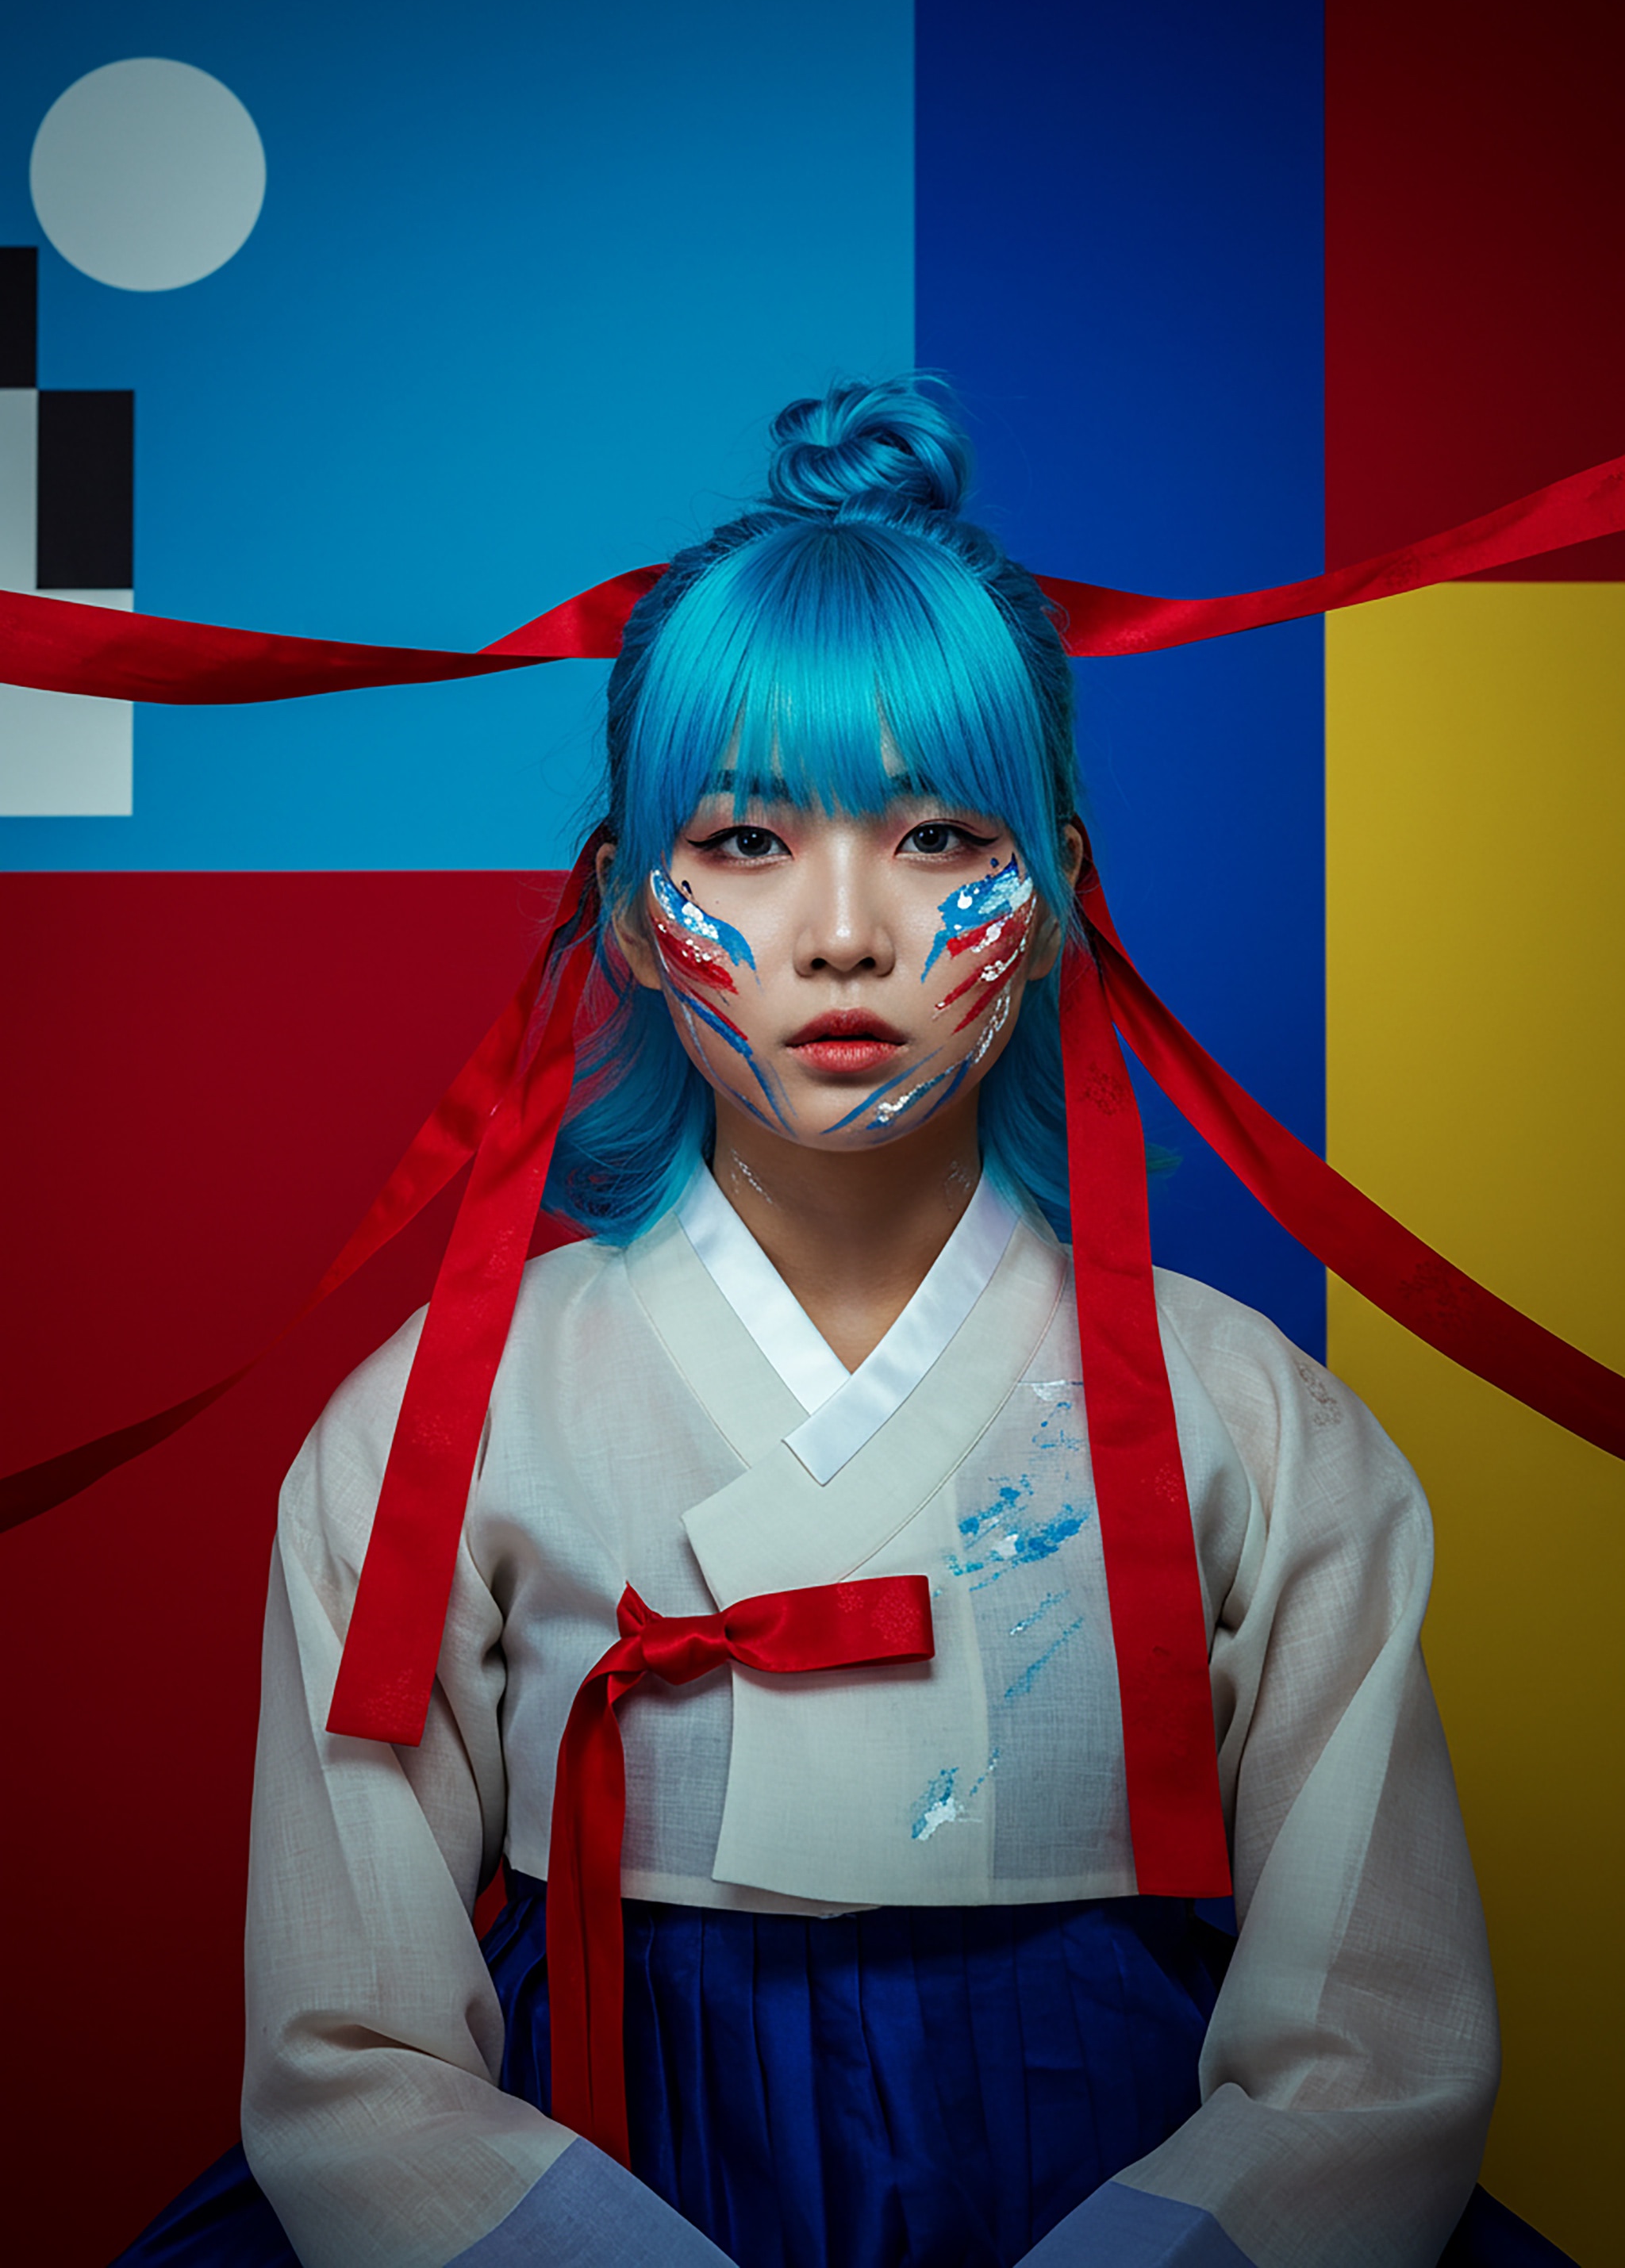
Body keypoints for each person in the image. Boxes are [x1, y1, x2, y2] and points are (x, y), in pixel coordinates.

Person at [120, 380, 1507, 2268]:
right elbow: (348, 2053)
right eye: (746, 839)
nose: (845, 931)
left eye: (937, 834)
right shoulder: (433, 1426)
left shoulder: (1257, 1427)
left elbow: (1372, 2059)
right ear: (626, 910)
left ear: (1060, 897)